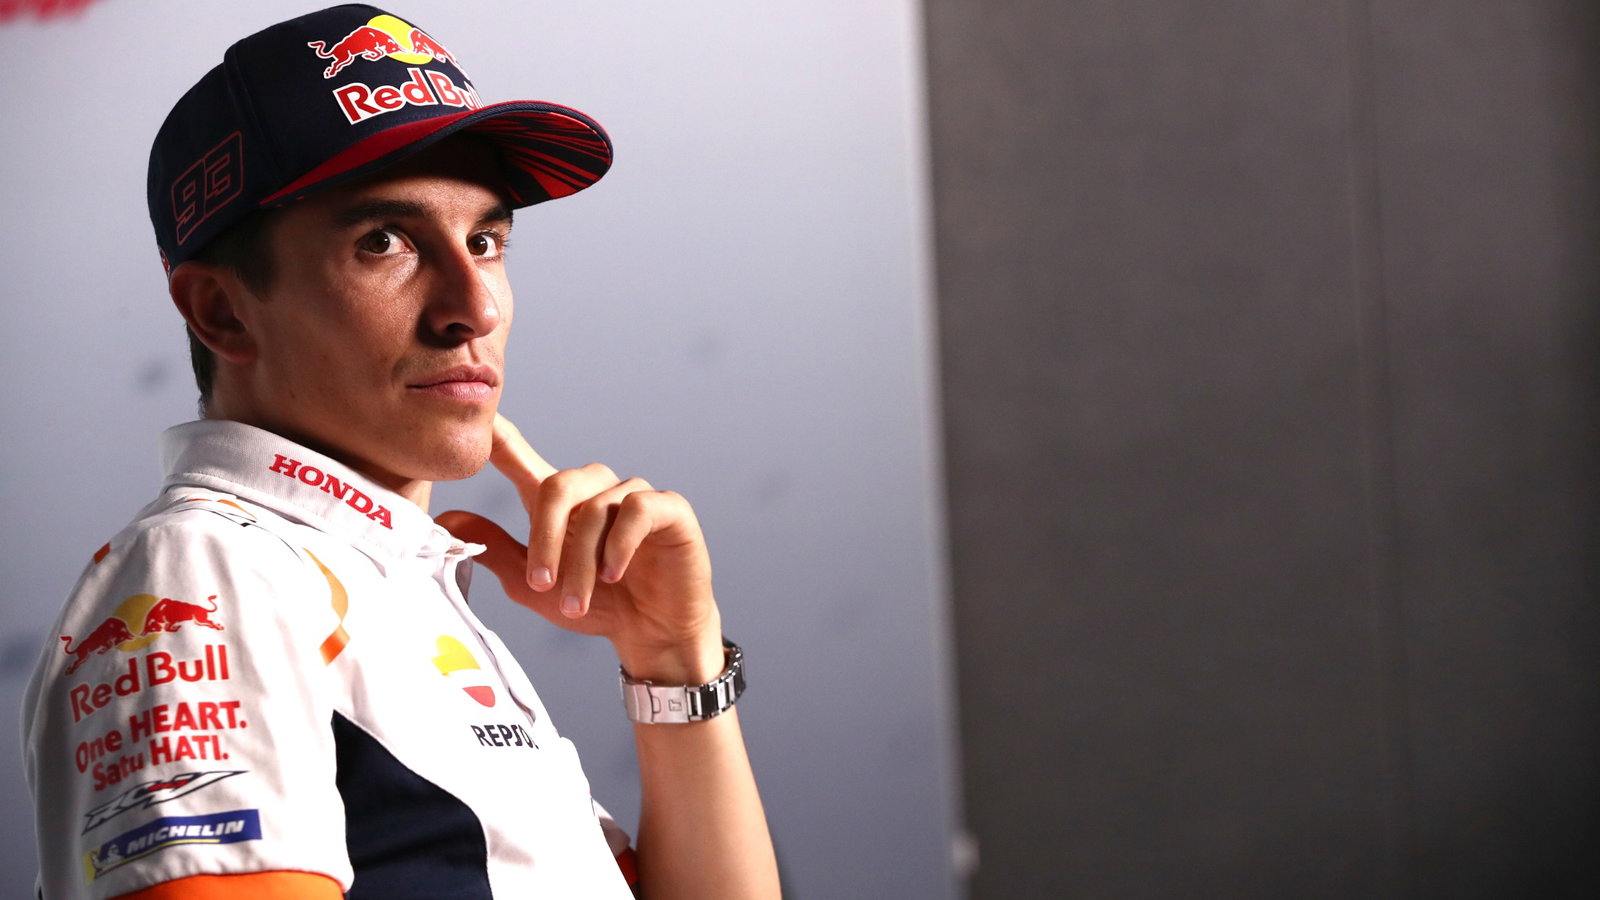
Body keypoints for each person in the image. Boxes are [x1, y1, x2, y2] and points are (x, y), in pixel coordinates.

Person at [21, 5, 780, 899]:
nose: (475, 307)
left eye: (485, 242)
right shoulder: (209, 571)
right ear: (222, 312)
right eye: (385, 242)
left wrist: (674, 664)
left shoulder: (380, 582)